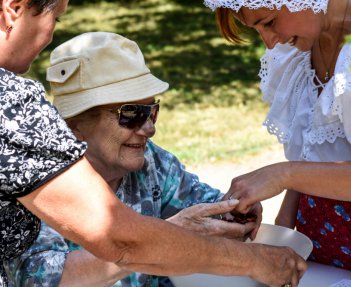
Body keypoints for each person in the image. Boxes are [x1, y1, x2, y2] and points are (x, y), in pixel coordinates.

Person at [0, 1, 308, 286]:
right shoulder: (38, 180)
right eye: (131, 114)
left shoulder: (153, 165)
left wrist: (235, 212)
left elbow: (204, 214)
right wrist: (175, 237)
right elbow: (41, 278)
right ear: (74, 126)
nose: (148, 128)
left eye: (153, 111)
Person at [203, 0, 351, 285]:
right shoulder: (299, 50)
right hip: (324, 241)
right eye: (257, 29)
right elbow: (311, 155)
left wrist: (281, 174)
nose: (270, 43)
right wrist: (283, 240)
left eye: (269, 22)